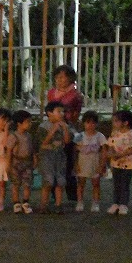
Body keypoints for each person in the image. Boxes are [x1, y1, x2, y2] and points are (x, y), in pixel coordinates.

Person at [47, 64, 85, 199]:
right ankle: (53, 191)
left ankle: (71, 192)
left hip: (69, 127)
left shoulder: (75, 95)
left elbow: (76, 114)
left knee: (69, 159)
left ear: (70, 78)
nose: (60, 80)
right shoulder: (51, 93)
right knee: (52, 159)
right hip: (53, 127)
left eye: (63, 77)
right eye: (57, 77)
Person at [37, 102, 71, 214]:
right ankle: (43, 205)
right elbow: (43, 142)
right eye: (59, 111)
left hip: (59, 155)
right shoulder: (43, 127)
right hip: (47, 155)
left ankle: (58, 204)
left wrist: (65, 129)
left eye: (63, 111)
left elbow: (66, 141)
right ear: (49, 113)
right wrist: (53, 130)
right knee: (48, 180)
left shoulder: (64, 125)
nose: (62, 114)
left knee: (60, 180)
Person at [106, 110, 132, 215]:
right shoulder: (114, 133)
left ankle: (123, 204)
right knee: (116, 183)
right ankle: (115, 203)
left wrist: (118, 155)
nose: (114, 123)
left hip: (128, 164)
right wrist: (111, 154)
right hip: (115, 163)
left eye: (116, 121)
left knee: (125, 184)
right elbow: (110, 145)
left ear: (125, 122)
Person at [74, 111, 107, 213]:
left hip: (95, 162)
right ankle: (79, 202)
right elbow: (74, 151)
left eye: (93, 123)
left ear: (97, 124)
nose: (90, 125)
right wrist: (75, 164)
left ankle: (95, 202)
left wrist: (102, 164)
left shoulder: (100, 136)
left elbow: (104, 151)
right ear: (83, 123)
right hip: (82, 162)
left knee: (96, 183)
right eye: (88, 122)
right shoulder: (79, 136)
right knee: (80, 183)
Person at [10, 110, 36, 214]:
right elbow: (9, 151)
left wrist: (34, 158)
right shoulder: (13, 136)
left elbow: (32, 149)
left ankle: (25, 202)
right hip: (16, 163)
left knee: (27, 184)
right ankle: (16, 203)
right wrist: (8, 165)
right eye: (28, 122)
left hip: (27, 162)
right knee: (16, 184)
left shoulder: (29, 136)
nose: (30, 124)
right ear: (19, 123)